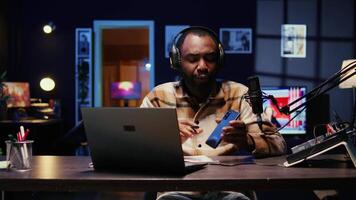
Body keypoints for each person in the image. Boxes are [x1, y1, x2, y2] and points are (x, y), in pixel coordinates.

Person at [140, 26, 286, 200]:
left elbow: (279, 145)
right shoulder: (159, 96)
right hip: (177, 190)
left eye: (210, 58)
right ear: (177, 61)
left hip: (229, 189)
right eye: (193, 59)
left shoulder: (240, 95)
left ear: (220, 59)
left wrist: (247, 140)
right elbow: (135, 148)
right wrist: (164, 136)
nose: (202, 66)